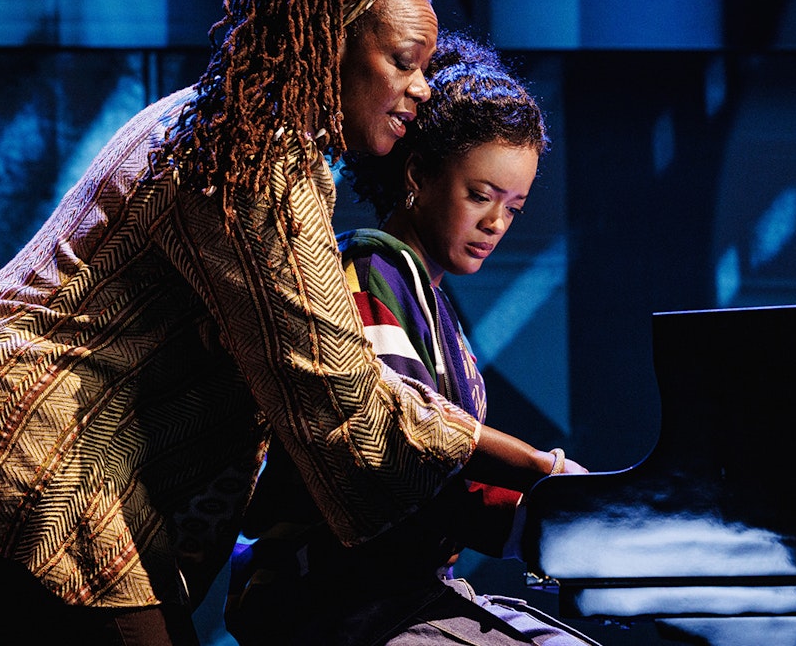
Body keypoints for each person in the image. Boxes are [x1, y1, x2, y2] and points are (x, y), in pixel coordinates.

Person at [0, 0, 573, 646]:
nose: (421, 88)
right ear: (330, 43)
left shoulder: (227, 124)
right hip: (33, 427)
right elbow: (336, 389)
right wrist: (540, 466)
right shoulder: (257, 161)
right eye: (403, 60)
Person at [225, 32, 599, 645]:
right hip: (334, 595)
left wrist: (567, 522)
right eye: (480, 196)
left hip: (397, 592)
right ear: (420, 174)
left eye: (514, 207)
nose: (496, 223)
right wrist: (551, 494)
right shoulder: (370, 272)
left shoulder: (424, 296)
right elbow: (405, 456)